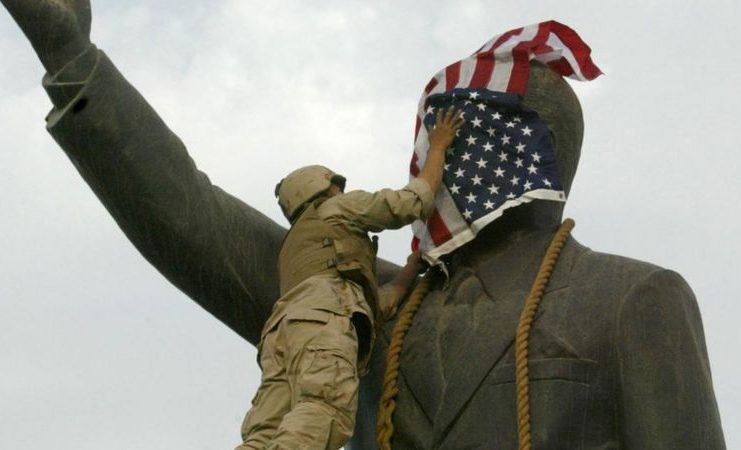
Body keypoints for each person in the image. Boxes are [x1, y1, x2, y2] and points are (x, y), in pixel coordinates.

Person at [1, 2, 725, 449]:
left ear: (528, 153)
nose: (432, 163)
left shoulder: (633, 300)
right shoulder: (362, 306)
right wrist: (72, 59)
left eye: (456, 139)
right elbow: (194, 218)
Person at [237, 106, 462, 449]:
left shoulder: (296, 246)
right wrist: (439, 147)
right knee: (323, 408)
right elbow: (413, 202)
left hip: (281, 335)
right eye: (337, 186)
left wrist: (408, 273)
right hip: (324, 322)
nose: (342, 191)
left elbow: (368, 305)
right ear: (323, 187)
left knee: (265, 432)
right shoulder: (336, 209)